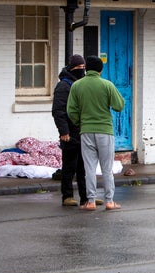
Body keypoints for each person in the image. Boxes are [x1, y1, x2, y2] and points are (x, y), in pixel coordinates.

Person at [67, 55, 125, 210]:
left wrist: (80, 122)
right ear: (101, 70)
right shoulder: (107, 85)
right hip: (105, 131)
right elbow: (119, 105)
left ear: (86, 68)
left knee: (89, 169)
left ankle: (91, 201)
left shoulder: (77, 86)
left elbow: (70, 110)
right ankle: (109, 201)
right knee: (107, 169)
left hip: (86, 131)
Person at [52, 54, 103, 207]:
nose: (82, 71)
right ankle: (67, 196)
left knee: (85, 167)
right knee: (69, 166)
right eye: (79, 68)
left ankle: (87, 197)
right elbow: (58, 111)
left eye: (84, 68)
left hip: (83, 131)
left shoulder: (81, 84)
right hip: (69, 133)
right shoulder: (63, 86)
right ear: (72, 68)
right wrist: (64, 132)